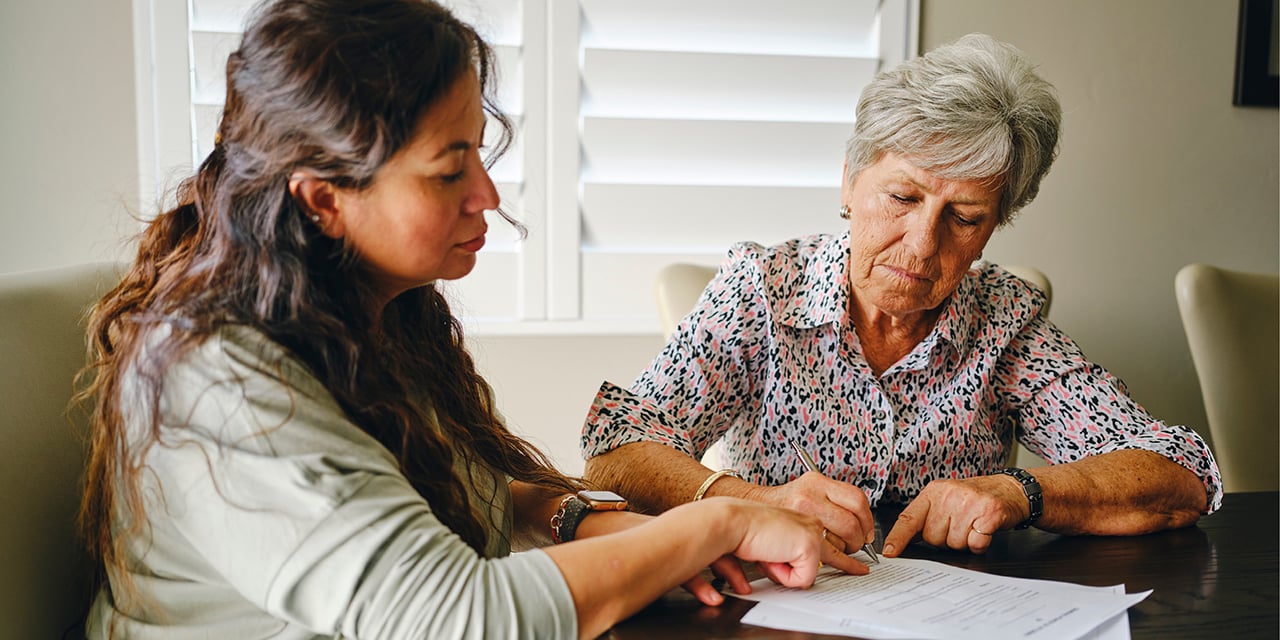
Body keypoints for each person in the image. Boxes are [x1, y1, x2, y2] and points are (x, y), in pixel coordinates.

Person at [76, 1, 865, 638]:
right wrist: (716, 524)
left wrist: (593, 525)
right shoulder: (219, 381)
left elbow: (467, 494)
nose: (487, 195)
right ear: (323, 200)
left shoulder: (368, 316)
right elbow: (458, 616)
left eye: (480, 154)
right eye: (450, 169)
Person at [581, 33, 1222, 559]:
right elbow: (616, 451)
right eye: (903, 197)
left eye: (964, 216)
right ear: (850, 183)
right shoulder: (762, 291)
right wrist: (755, 500)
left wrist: (1017, 490)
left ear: (991, 229)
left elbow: (1178, 474)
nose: (920, 245)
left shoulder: (1007, 322)